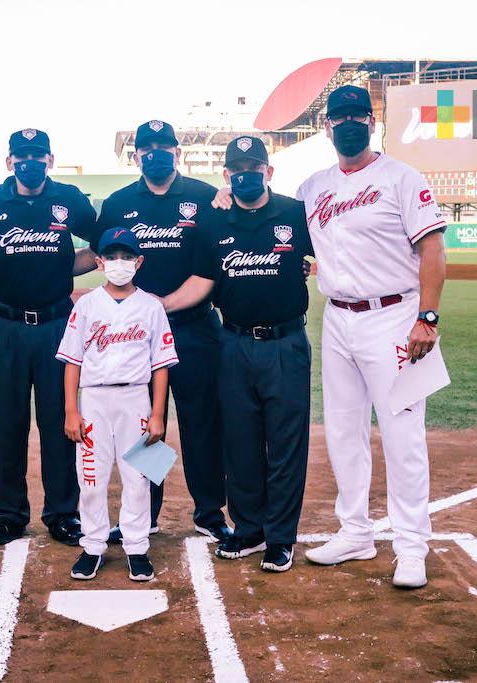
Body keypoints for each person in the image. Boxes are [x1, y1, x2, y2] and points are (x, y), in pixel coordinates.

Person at [290, 85, 446, 588]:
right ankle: (355, 532)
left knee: (402, 435)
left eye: (361, 114)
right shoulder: (312, 187)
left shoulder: (401, 177)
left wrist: (428, 317)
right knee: (342, 431)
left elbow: (433, 251)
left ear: (374, 121)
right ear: (326, 126)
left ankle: (411, 546)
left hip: (395, 316)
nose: (351, 123)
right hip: (337, 318)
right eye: (341, 117)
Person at [164, 135, 313, 572]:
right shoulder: (214, 221)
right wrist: (157, 306)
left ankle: (280, 537)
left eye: (255, 167)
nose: (247, 175)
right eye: (237, 170)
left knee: (285, 444)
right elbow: (203, 281)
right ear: (226, 176)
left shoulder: (293, 213)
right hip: (231, 344)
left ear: (269, 171)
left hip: (285, 343)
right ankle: (248, 529)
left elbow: (327, 254)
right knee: (240, 442)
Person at [90, 119, 231, 545]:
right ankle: (145, 513)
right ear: (136, 156)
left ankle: (209, 511)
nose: (155, 153)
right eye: (146, 147)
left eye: (163, 146)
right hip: (137, 339)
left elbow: (219, 260)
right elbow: (101, 259)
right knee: (147, 427)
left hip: (194, 330)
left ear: (177, 153)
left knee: (201, 425)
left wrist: (159, 307)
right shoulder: (117, 204)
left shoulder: (205, 198)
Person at [0, 128, 97, 546]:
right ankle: (8, 514)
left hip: (57, 325)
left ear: (50, 160)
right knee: (6, 424)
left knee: (60, 422)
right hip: (7, 326)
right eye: (22, 156)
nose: (30, 162)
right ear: (9, 162)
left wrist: (62, 270)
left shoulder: (69, 199)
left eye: (38, 156)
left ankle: (63, 513)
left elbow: (100, 244)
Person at [57, 227, 177, 581]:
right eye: (112, 256)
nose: (119, 263)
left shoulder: (152, 306)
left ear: (139, 262)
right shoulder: (87, 305)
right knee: (91, 477)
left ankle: (137, 546)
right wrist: (71, 410)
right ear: (99, 262)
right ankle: (93, 544)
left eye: (127, 257)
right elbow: (72, 361)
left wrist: (157, 414)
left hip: (136, 398)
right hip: (94, 399)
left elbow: (160, 365)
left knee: (139, 477)